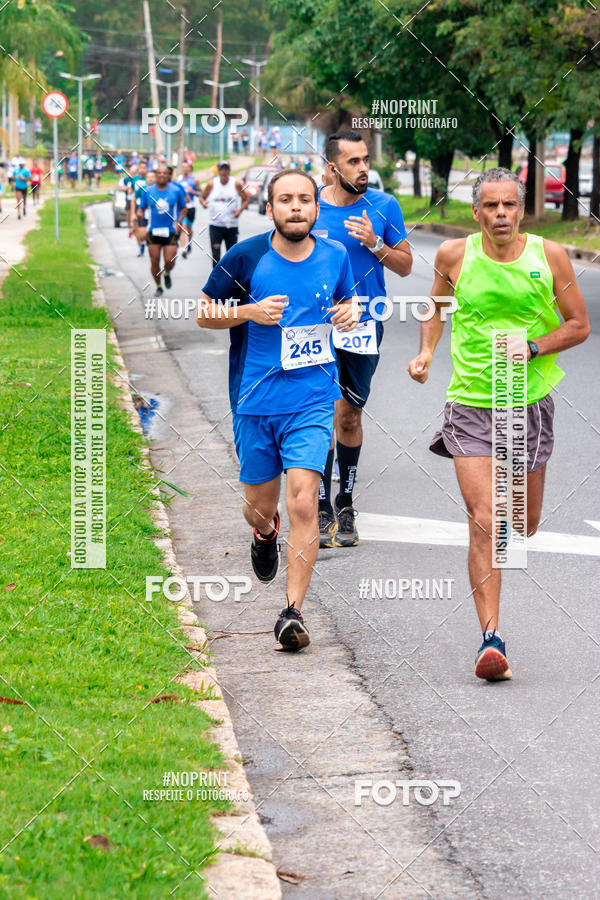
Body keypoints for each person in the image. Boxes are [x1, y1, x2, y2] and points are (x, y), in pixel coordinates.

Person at [407, 167, 590, 681]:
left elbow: (579, 324)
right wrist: (425, 352)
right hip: (470, 400)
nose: (501, 214)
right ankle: (491, 638)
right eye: (491, 206)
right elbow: (436, 308)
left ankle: (502, 582)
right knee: (484, 517)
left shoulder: (549, 256)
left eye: (510, 205)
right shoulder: (454, 255)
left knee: (520, 525)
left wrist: (533, 347)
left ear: (522, 209)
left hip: (526, 400)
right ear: (476, 212)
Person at [197, 169, 358, 650]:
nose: (295, 207)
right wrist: (247, 311)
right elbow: (204, 312)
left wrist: (350, 313)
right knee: (260, 508)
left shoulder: (336, 255)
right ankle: (265, 534)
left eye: (304, 200)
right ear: (269, 209)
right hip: (254, 402)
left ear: (315, 208)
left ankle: (292, 613)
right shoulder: (246, 256)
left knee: (305, 502)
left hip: (311, 398)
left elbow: (347, 303)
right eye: (285, 200)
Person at [315, 129, 412, 548]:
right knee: (320, 412)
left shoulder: (384, 206)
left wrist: (375, 244)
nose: (364, 169)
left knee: (349, 416)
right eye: (354, 162)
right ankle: (320, 505)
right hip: (315, 324)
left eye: (366, 160)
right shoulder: (310, 206)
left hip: (364, 325)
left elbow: (406, 265)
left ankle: (346, 500)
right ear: (333, 168)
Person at [137, 162, 186, 295]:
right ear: (156, 175)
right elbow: (141, 207)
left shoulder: (176, 190)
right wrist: (140, 213)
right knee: (154, 260)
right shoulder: (148, 191)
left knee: (170, 260)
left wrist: (179, 222)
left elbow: (184, 208)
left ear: (168, 175)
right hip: (153, 230)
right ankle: (159, 286)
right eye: (159, 173)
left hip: (170, 230)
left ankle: (166, 272)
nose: (162, 175)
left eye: (165, 173)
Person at [200, 160, 249, 267]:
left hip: (231, 225)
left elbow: (245, 199)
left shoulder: (235, 184)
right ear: (218, 171)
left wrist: (239, 211)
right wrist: (203, 203)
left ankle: (230, 280)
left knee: (231, 255)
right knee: (215, 255)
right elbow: (202, 197)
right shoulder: (212, 184)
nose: (224, 172)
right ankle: (217, 280)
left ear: (229, 171)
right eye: (222, 169)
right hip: (216, 225)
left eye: (226, 169)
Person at [176, 161, 199, 258]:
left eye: (187, 167)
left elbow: (200, 193)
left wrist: (192, 191)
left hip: (191, 207)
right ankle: (183, 249)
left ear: (189, 168)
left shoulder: (194, 180)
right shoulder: (178, 180)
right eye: (183, 167)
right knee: (183, 227)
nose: (185, 168)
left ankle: (189, 242)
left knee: (189, 228)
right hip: (182, 207)